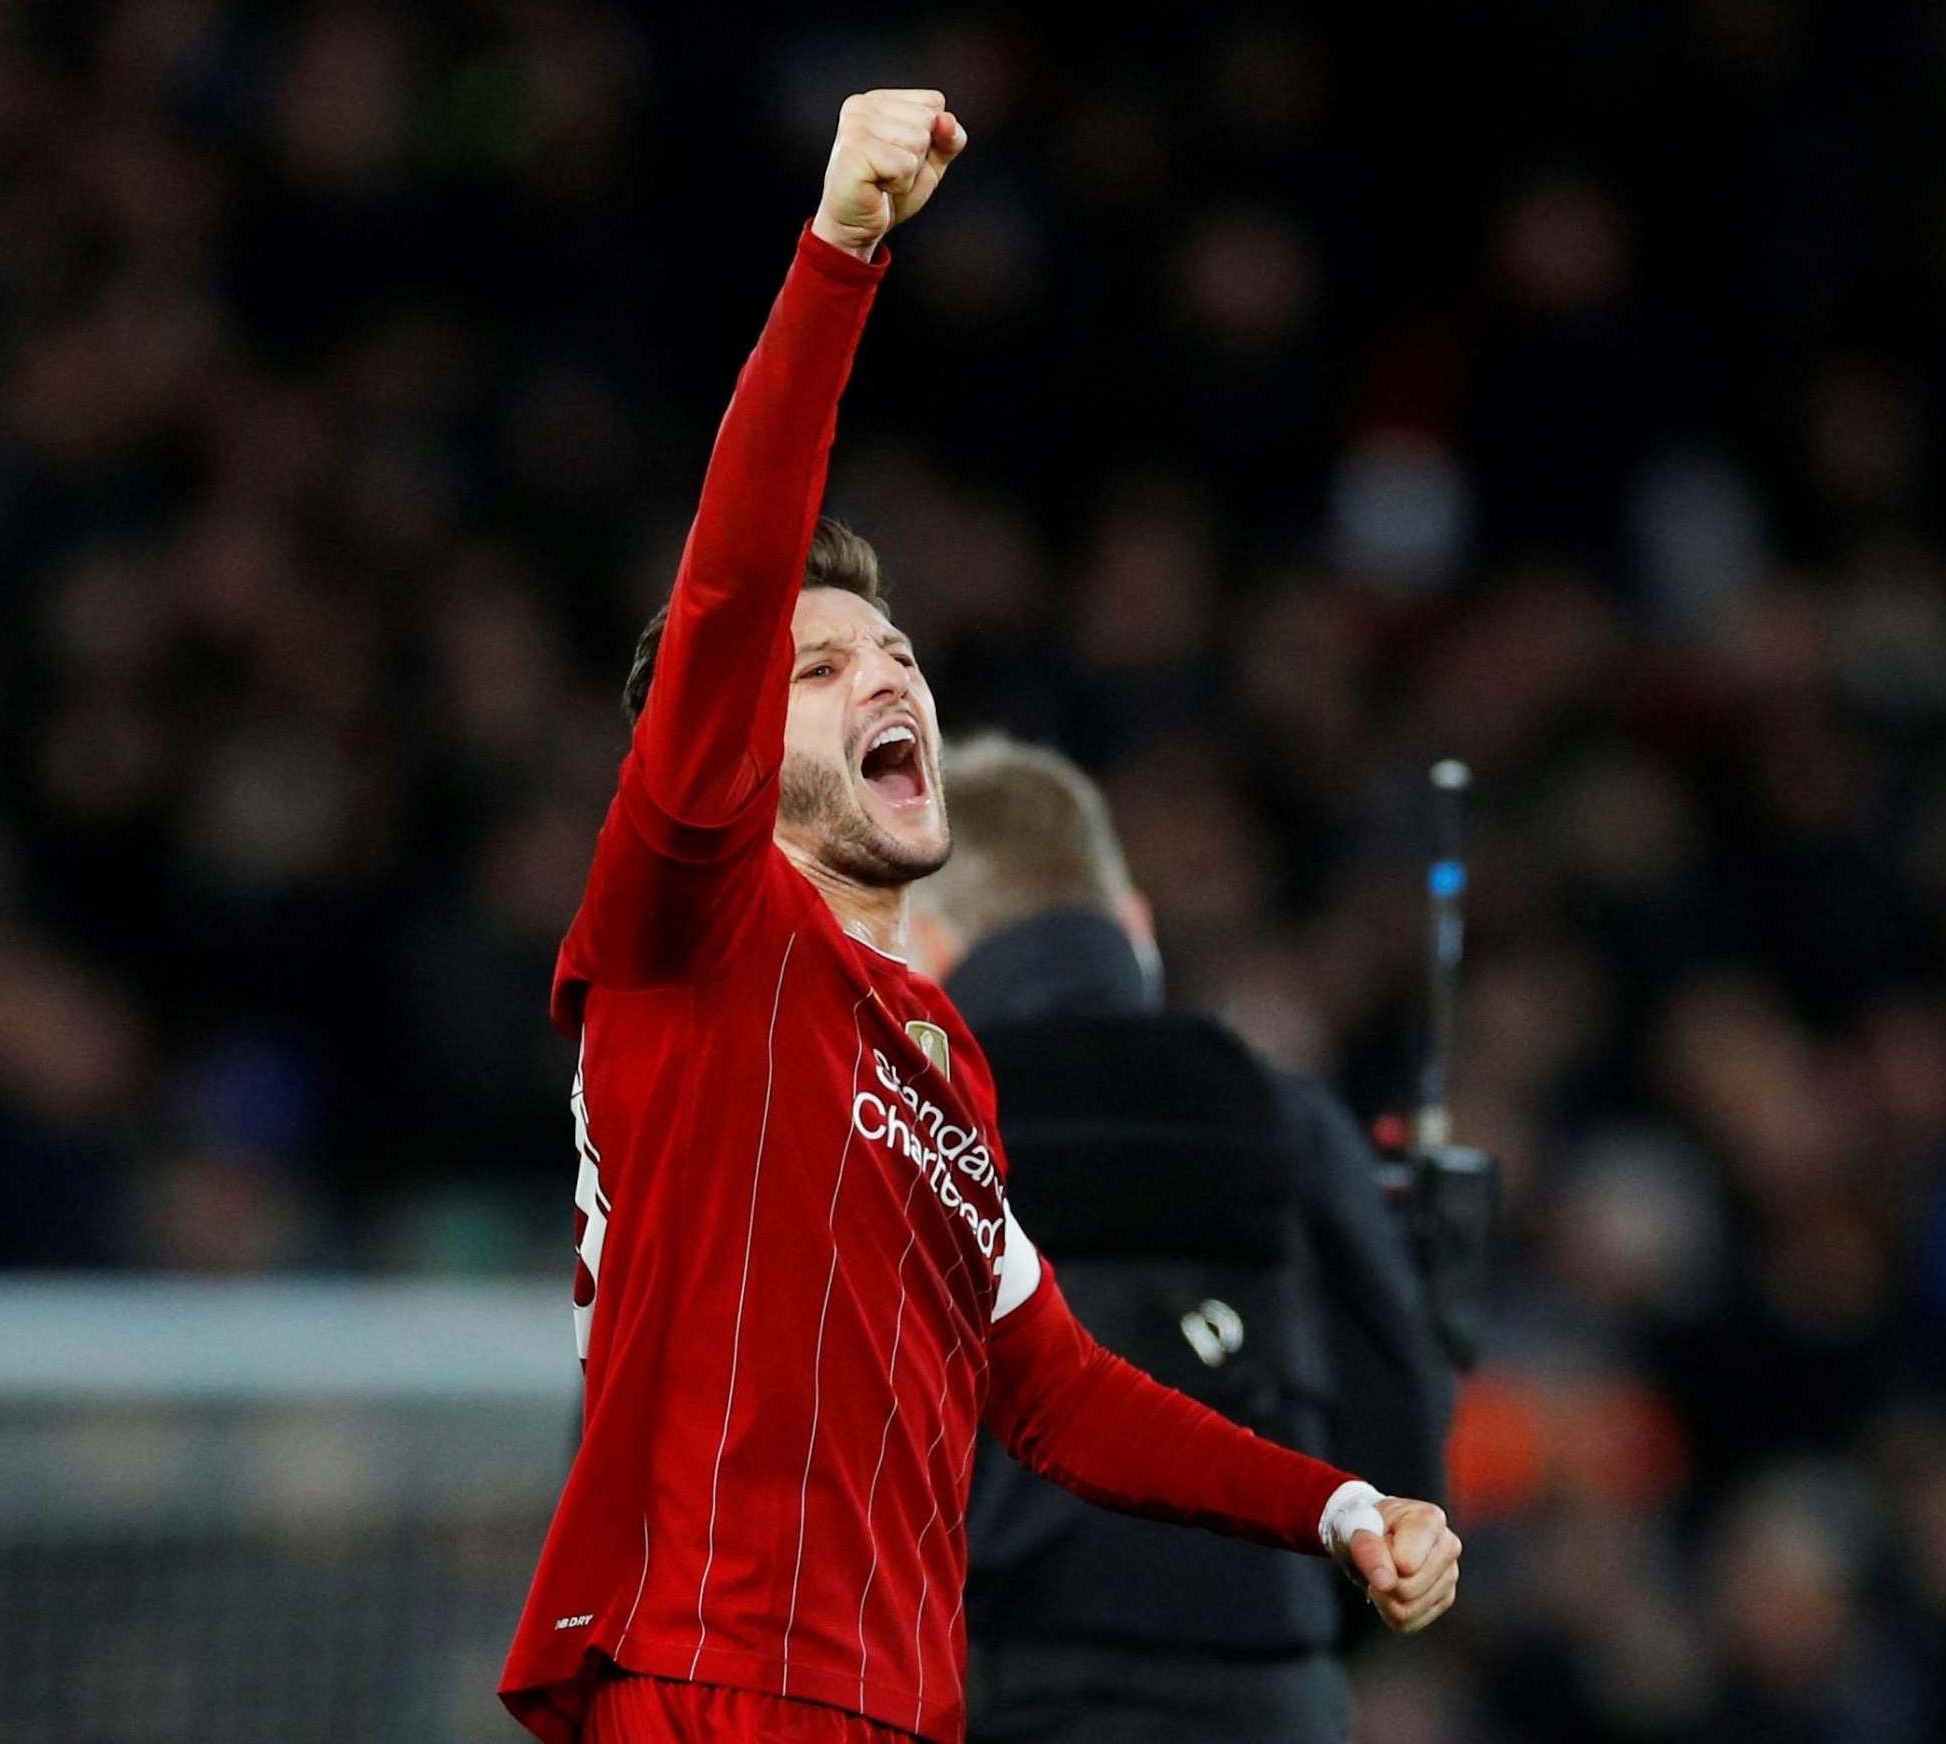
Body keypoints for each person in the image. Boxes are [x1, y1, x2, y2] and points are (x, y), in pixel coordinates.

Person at [500, 91, 1461, 1744]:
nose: (885, 674)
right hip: (711, 1685)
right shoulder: (692, 940)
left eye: (895, 654)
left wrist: (1331, 1504)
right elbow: (725, 589)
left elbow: (1063, 1390)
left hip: (902, 1707)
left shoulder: (941, 1055)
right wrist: (839, 255)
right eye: (819, 668)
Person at [906, 733, 1457, 1744]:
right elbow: (1400, 1462)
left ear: (927, 949)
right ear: (1133, 927)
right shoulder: (1288, 1123)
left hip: (982, 1692)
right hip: (1263, 1698)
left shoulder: (886, 1135)